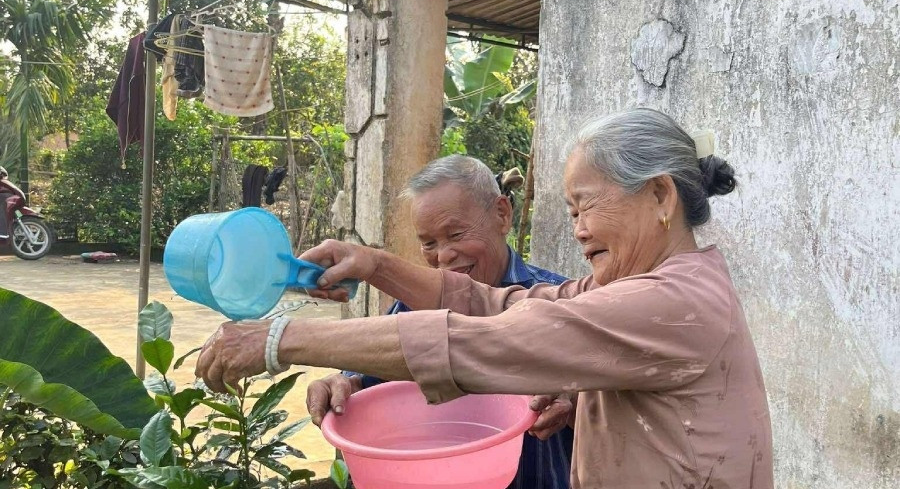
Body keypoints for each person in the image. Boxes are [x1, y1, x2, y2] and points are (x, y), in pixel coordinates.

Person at [196, 108, 774, 489]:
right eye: (570, 212)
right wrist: (374, 264)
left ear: (660, 196)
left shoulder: (672, 300)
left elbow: (483, 339)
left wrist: (279, 338)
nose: (577, 231)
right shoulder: (636, 287)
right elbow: (503, 305)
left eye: (587, 206)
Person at [317, 155, 574, 489]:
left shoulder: (563, 302)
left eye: (456, 234)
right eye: (428, 243)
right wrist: (341, 385)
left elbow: (613, 398)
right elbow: (367, 382)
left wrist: (576, 399)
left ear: (502, 214)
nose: (443, 256)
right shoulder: (414, 307)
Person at [0, 166, 26, 240]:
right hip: (11, 196)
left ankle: (2, 233)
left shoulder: (3, 182)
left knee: (3, 206)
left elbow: (3, 173)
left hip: (10, 196)